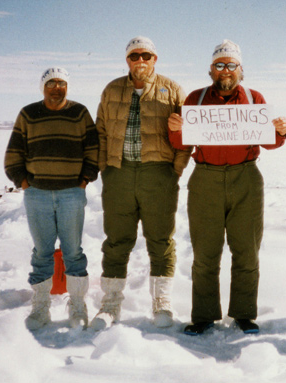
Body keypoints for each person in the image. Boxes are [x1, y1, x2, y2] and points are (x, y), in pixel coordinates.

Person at [168, 39, 286, 335]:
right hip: (205, 178)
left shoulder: (253, 97)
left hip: (245, 177)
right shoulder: (195, 100)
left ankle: (244, 314)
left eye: (231, 65)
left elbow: (268, 140)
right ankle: (204, 315)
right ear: (211, 69)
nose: (226, 70)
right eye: (220, 65)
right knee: (205, 251)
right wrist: (174, 129)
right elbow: (181, 142)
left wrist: (280, 132)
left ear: (240, 70)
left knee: (246, 249)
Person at [92, 36, 190, 330]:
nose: (141, 61)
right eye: (135, 56)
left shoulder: (171, 90)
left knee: (160, 239)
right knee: (116, 239)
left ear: (154, 59)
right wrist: (104, 169)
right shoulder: (112, 89)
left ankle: (162, 303)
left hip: (157, 174)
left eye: (146, 55)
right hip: (119, 174)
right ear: (128, 60)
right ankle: (110, 304)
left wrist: (175, 169)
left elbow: (187, 132)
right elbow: (100, 131)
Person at [4, 67, 99, 330]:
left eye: (62, 83)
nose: (57, 87)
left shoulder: (79, 113)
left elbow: (93, 149)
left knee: (73, 252)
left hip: (71, 193)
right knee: (42, 253)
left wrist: (83, 181)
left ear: (67, 87)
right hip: (37, 195)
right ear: (42, 86)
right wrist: (23, 182)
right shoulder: (28, 114)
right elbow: (14, 153)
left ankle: (78, 305)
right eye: (51, 83)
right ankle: (41, 306)